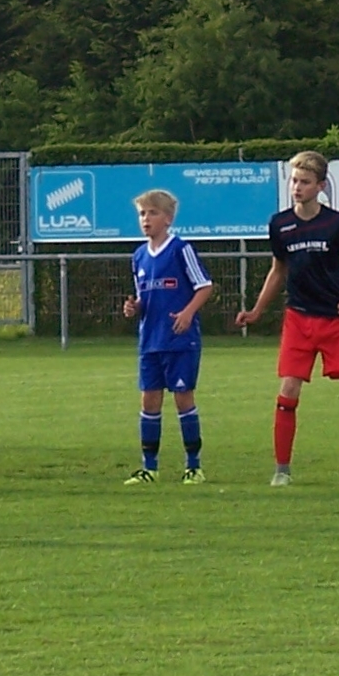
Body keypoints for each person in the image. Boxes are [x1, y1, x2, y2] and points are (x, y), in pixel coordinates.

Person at [236, 151, 339, 486]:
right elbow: (278, 270)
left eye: (305, 182)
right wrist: (256, 311)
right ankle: (282, 470)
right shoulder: (280, 224)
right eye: (294, 180)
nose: (297, 187)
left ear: (321, 186)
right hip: (298, 319)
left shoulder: (335, 223)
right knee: (289, 390)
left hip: (335, 321)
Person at [121, 189, 216, 486]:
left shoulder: (180, 249)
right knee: (149, 401)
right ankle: (150, 467)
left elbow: (205, 286)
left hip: (179, 340)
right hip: (150, 340)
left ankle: (193, 466)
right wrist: (134, 307)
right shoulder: (138, 256)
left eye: (152, 213)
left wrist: (187, 313)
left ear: (168, 218)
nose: (145, 219)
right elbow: (143, 297)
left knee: (183, 398)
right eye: (142, 214)